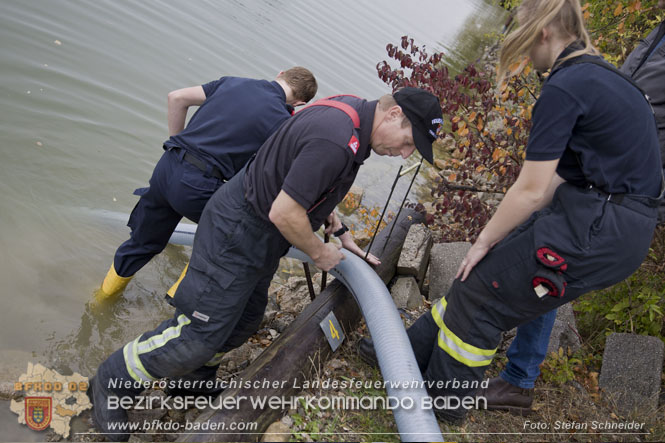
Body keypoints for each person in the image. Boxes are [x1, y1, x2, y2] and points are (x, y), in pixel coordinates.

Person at [361, 0, 662, 424]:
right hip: (608, 221)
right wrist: (503, 236)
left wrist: (483, 240)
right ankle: (400, 357)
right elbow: (560, 179)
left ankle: (435, 410)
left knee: (485, 298)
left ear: (542, 31)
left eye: (520, 28)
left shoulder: (566, 84)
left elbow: (533, 188)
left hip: (598, 223)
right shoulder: (599, 75)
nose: (519, 45)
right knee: (474, 282)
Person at [89, 88, 443, 440]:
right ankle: (112, 380)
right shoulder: (336, 140)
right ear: (394, 114)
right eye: (409, 142)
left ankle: (190, 381)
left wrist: (328, 213)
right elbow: (284, 211)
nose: (405, 153)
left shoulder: (352, 113)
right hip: (238, 229)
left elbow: (296, 163)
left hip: (261, 236)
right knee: (200, 333)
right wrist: (320, 253)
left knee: (245, 320)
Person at [481, 0, 665, 415]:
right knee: (538, 249)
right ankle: (515, 374)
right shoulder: (653, 36)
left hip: (621, 193)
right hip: (593, 167)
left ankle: (518, 378)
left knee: (548, 262)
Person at [97, 67, 318, 300]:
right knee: (225, 238)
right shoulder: (283, 122)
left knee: (141, 242)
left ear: (280, 73)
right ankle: (175, 303)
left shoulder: (231, 82)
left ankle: (101, 299)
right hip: (200, 185)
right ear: (301, 103)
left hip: (167, 168)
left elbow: (177, 97)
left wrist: (176, 141)